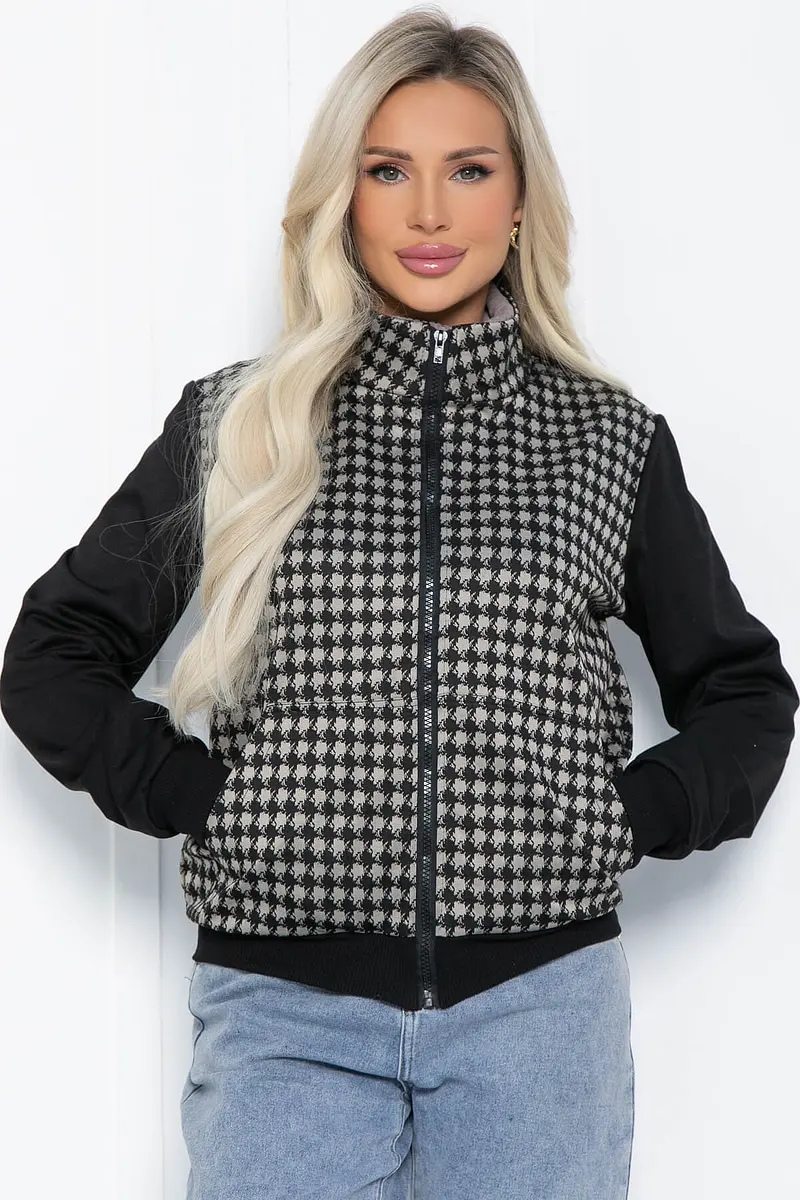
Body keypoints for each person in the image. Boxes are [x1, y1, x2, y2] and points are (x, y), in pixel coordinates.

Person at [1, 6, 796, 1199]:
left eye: (467, 171)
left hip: (537, 1016)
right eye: (386, 171)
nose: (428, 212)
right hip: (282, 1015)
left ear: (518, 202)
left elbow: (740, 693)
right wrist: (208, 800)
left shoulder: (604, 439)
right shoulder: (237, 425)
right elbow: (54, 654)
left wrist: (623, 813)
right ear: (344, 199)